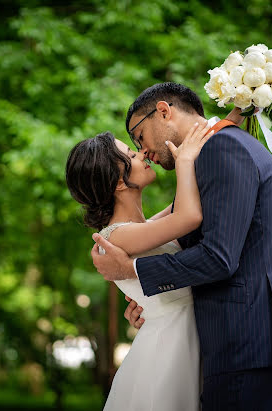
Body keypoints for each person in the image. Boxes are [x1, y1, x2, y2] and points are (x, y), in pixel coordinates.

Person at [91, 82, 272, 410]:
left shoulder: (221, 149)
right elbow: (163, 231)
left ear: (164, 111)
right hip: (244, 340)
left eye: (139, 136)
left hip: (245, 340)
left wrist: (133, 270)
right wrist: (148, 301)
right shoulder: (215, 149)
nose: (143, 150)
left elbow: (218, 258)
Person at [66, 121, 215, 410]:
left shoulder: (138, 228)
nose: (143, 153)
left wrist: (224, 122)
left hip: (180, 341)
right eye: (131, 155)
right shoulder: (117, 236)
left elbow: (179, 207)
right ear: (119, 182)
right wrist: (184, 162)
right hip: (169, 351)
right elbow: (188, 217)